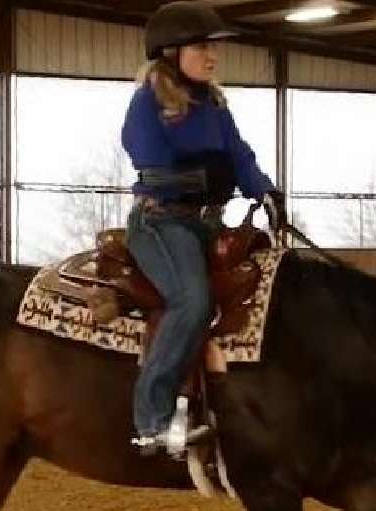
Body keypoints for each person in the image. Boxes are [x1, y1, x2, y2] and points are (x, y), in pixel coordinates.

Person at [121, 0, 287, 456]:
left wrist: (265, 192)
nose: (212, 55)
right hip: (161, 222)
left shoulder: (213, 103)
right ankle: (150, 420)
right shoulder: (148, 104)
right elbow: (150, 167)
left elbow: (240, 156)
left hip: (208, 224)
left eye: (213, 47)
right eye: (201, 47)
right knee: (192, 302)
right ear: (172, 52)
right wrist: (198, 179)